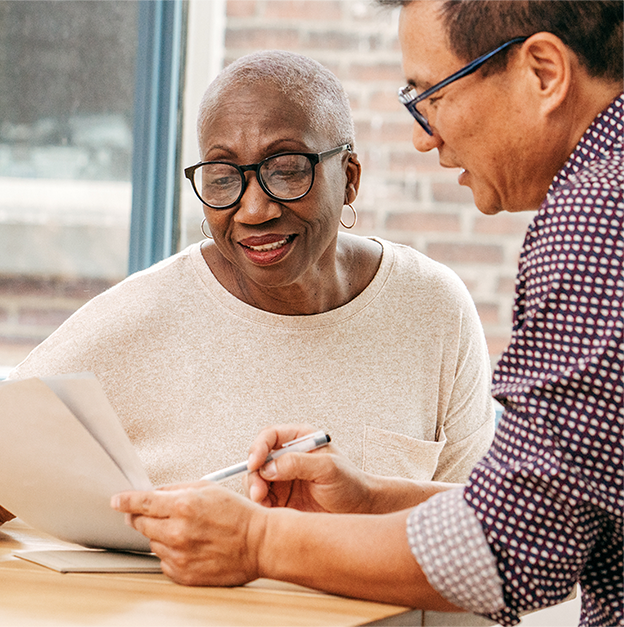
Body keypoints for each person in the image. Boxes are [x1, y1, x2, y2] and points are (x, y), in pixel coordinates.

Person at [111, 1, 624, 626]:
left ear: (543, 72)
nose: (424, 135)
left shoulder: (596, 221)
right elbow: (578, 510)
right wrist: (371, 500)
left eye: (431, 95)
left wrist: (257, 542)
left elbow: (515, 546)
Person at [0, 50, 495, 537]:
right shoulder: (144, 314)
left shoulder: (433, 310)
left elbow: (487, 535)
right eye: (222, 176)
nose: (254, 208)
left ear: (351, 179)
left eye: (287, 168)